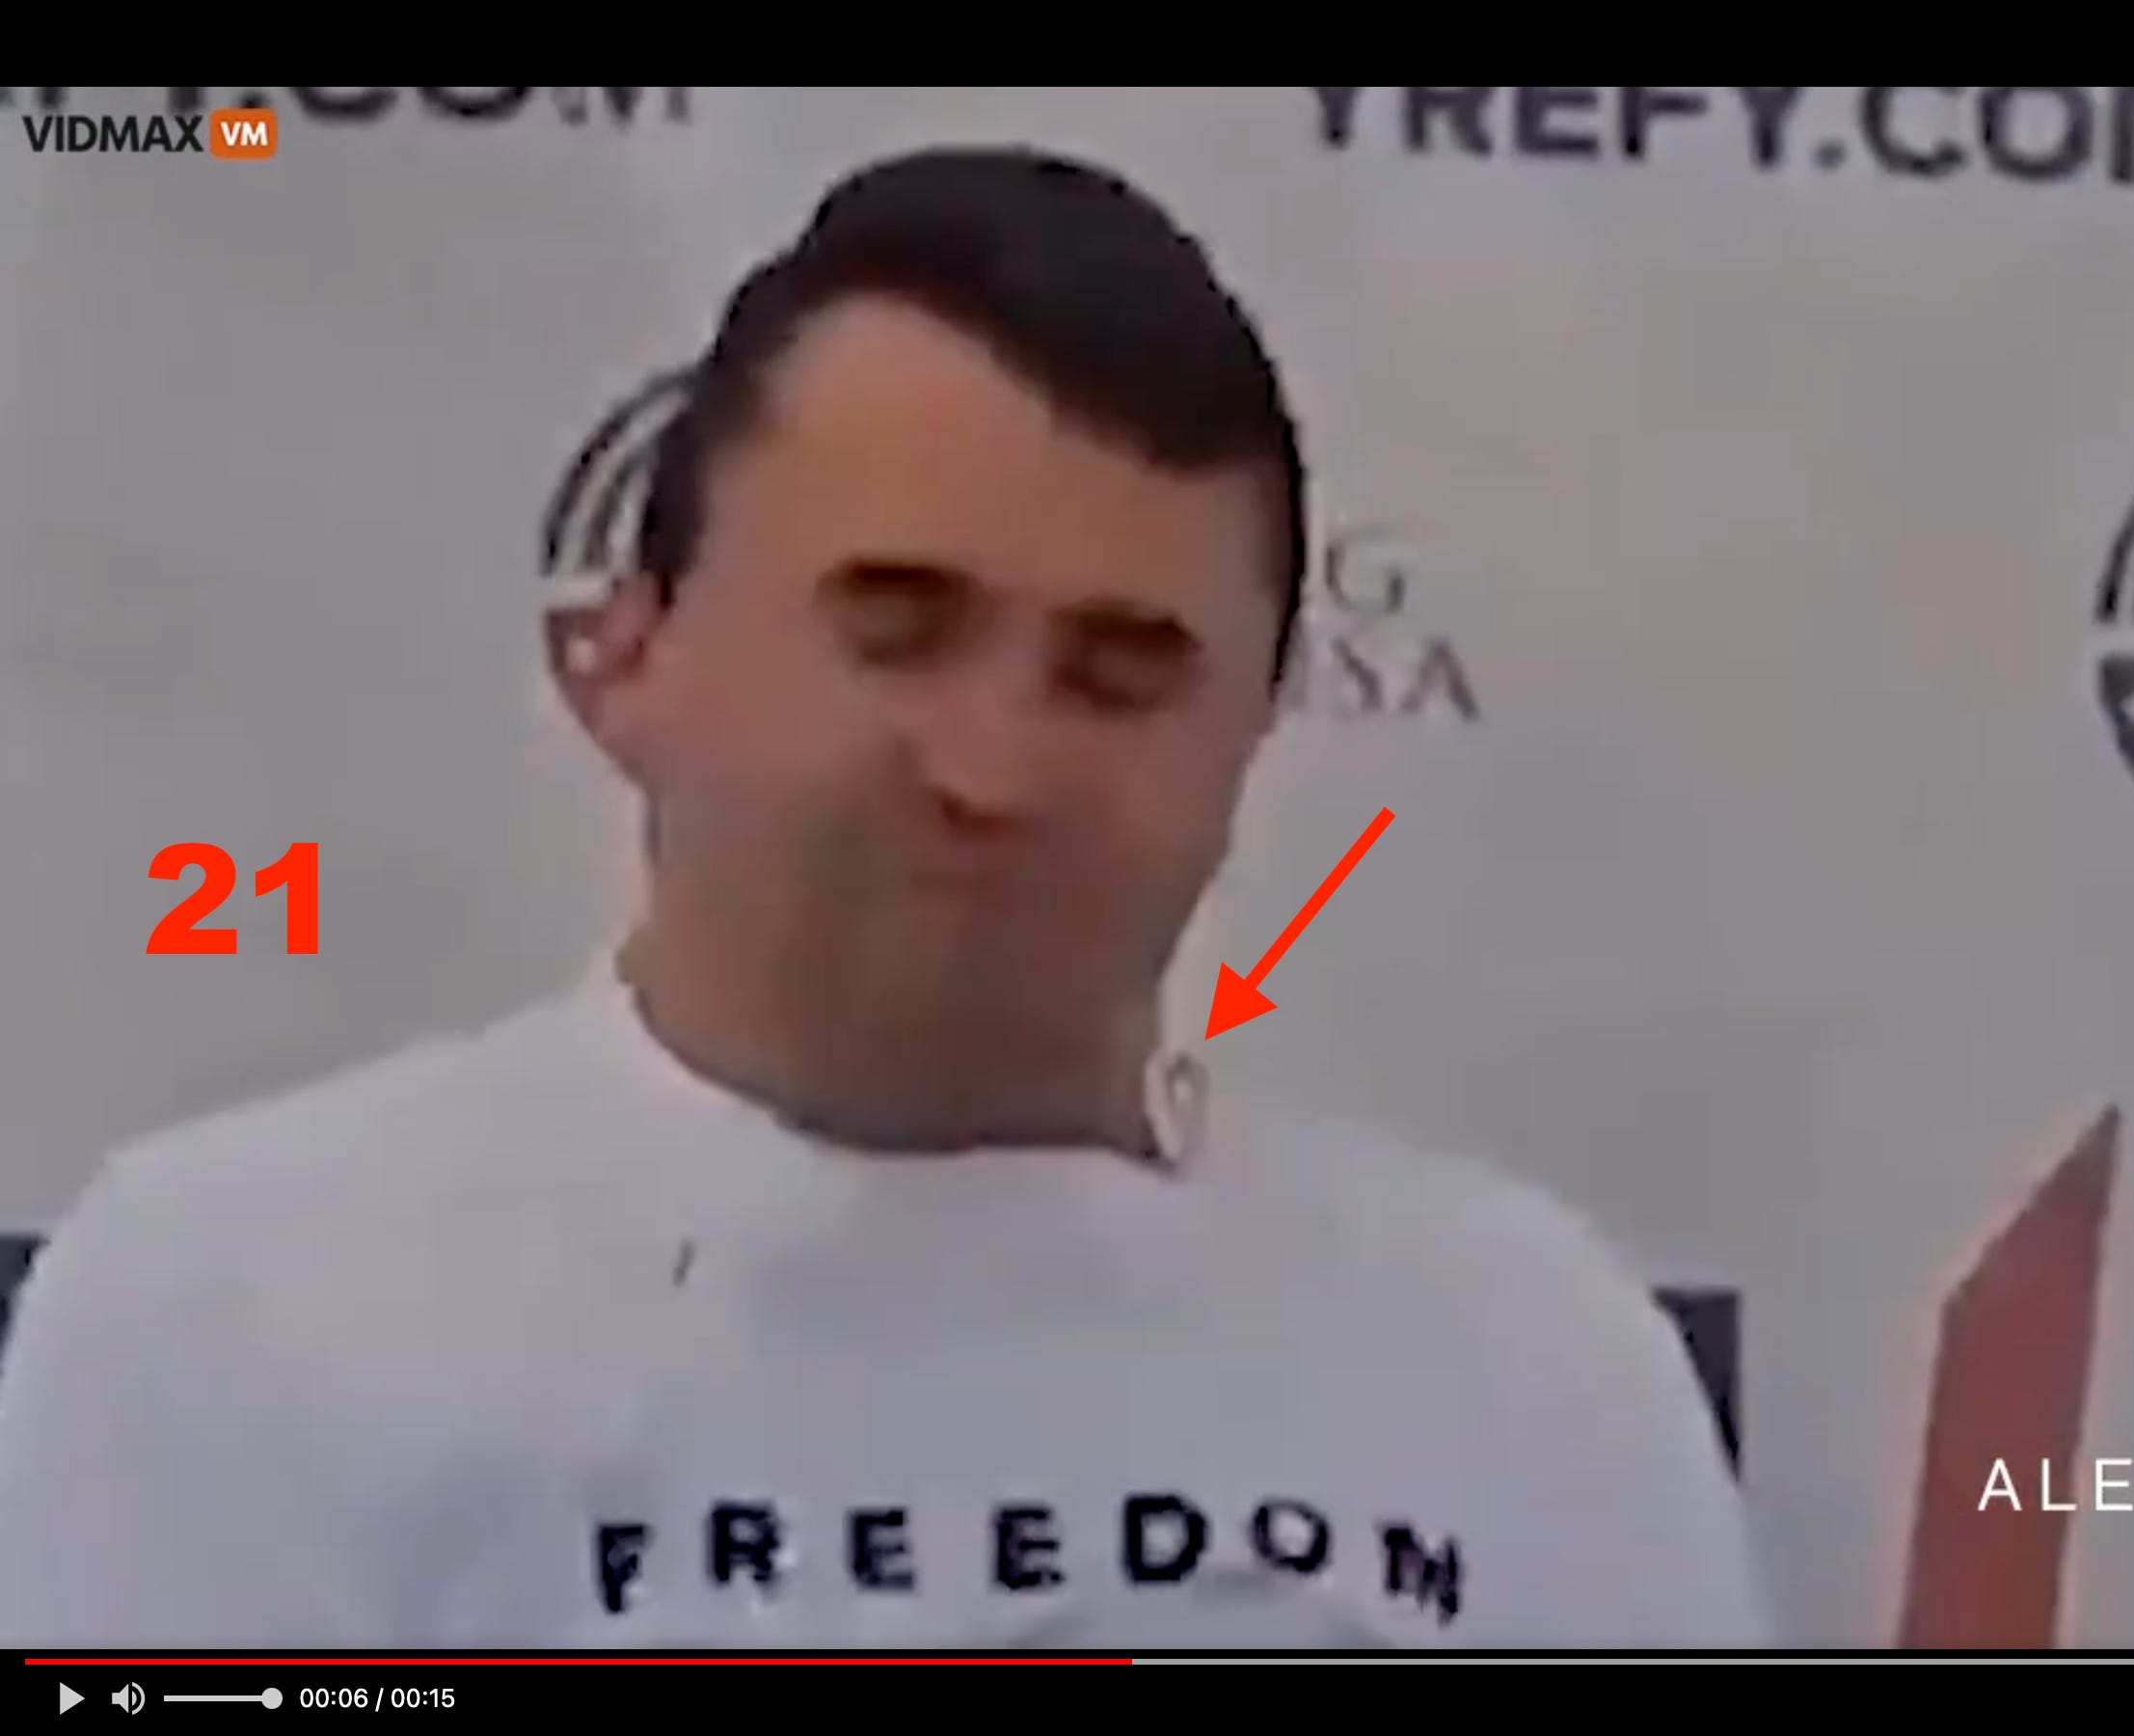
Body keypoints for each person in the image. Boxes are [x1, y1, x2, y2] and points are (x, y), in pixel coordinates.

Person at [0, 147, 1767, 1649]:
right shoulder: (233, 1305)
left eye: (1120, 675)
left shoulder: (1527, 1359)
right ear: (624, 656)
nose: (991, 767)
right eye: (897, 632)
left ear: (1255, 732)